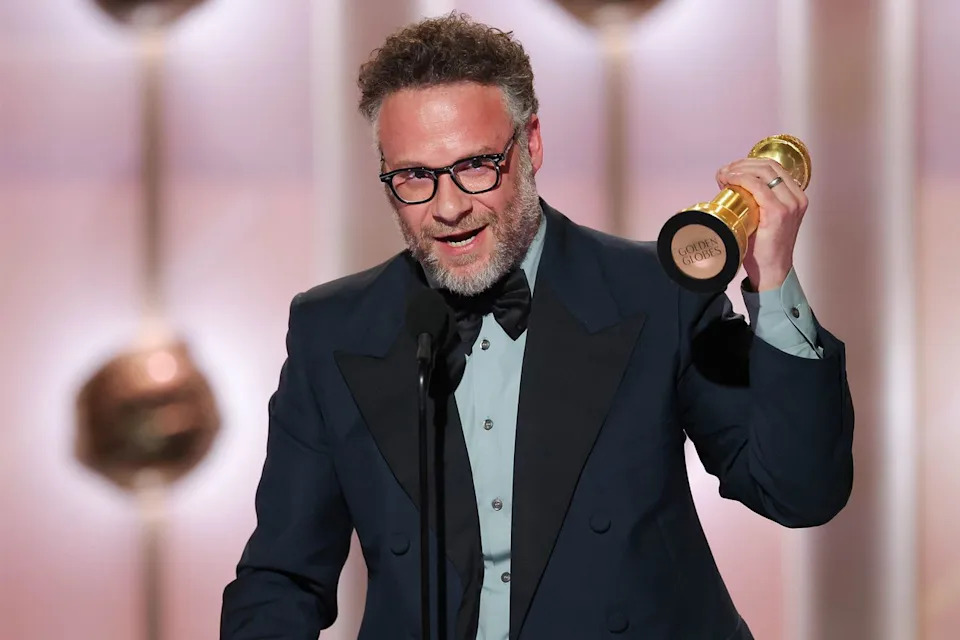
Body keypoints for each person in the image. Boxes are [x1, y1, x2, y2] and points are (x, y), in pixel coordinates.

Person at [220, 12, 853, 640]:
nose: (448, 207)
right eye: (415, 176)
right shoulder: (332, 329)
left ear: (532, 147)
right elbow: (281, 578)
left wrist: (771, 279)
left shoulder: (656, 295)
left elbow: (798, 492)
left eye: (476, 165)